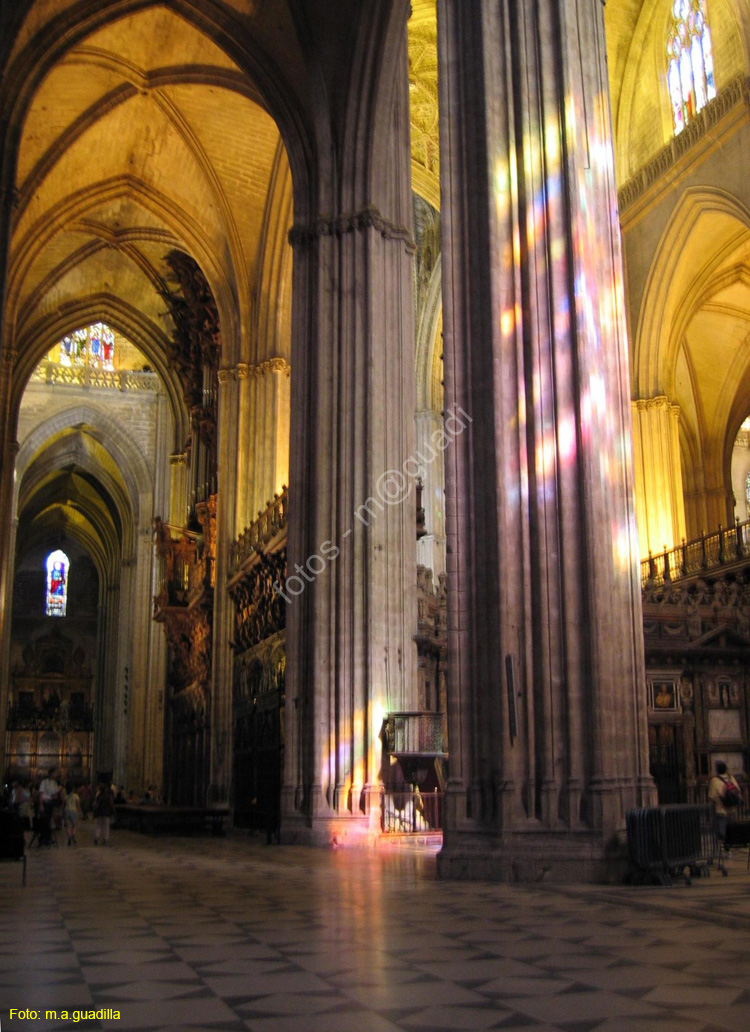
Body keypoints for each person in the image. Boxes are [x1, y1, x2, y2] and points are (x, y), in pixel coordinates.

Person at [708, 760, 742, 855]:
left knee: (720, 830)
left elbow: (711, 796)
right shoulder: (730, 778)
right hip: (731, 809)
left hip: (720, 809)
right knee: (729, 829)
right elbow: (738, 790)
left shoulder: (714, 780)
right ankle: (728, 848)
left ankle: (721, 849)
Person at [38, 767, 61, 846]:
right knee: (45, 821)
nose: (56, 774)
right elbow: (41, 793)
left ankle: (48, 837)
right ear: (51, 773)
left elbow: (56, 793)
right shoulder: (44, 782)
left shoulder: (54, 783)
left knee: (49, 821)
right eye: (55, 773)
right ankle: (43, 837)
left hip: (51, 803)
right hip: (45, 803)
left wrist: (55, 796)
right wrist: (41, 804)